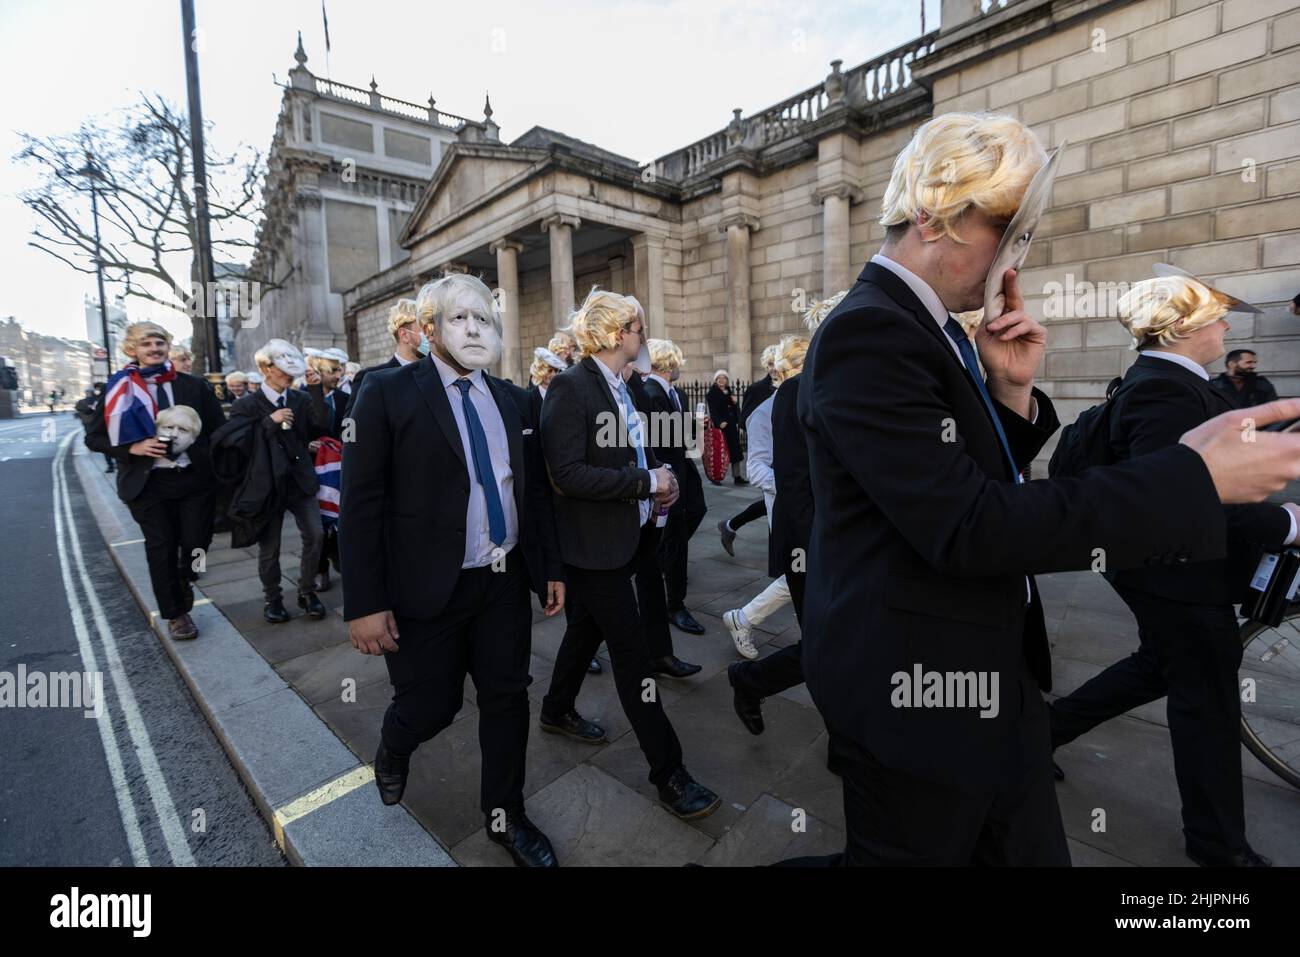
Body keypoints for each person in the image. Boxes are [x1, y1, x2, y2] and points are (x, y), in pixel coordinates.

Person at [792, 110, 1300, 867]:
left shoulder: (930, 325)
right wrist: (1190, 479)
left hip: (995, 677)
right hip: (916, 691)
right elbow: (968, 525)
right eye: (1009, 230)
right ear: (936, 214)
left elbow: (954, 478)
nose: (1012, 260)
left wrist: (1007, 396)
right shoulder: (871, 329)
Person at [1049, 271, 1292, 868]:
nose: (1226, 326)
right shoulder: (1166, 391)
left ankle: (1035, 739)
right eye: (1215, 317)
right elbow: (1184, 497)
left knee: (1161, 667)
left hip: (1168, 572)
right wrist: (1287, 524)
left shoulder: (1168, 383)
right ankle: (1218, 848)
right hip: (1177, 575)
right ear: (1182, 327)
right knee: (1206, 704)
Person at [341, 274, 565, 867]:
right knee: (430, 706)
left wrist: (546, 570)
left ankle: (505, 816)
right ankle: (394, 745)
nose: (474, 329)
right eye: (460, 318)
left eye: (485, 319)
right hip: (423, 588)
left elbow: (532, 495)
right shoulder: (385, 392)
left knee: (507, 699)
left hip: (501, 583)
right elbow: (360, 504)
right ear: (430, 327)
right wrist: (364, 603)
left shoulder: (517, 400)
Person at [538, 287, 720, 821]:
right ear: (620, 335)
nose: (645, 337)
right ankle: (669, 773)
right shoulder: (572, 388)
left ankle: (554, 708)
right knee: (632, 656)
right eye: (639, 329)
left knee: (585, 630)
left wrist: (660, 484)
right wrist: (645, 481)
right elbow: (565, 474)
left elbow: (631, 453)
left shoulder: (620, 385)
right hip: (594, 549)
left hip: (631, 537)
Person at [728, 297, 843, 736]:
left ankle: (754, 677)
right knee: (826, 640)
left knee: (832, 640)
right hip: (800, 529)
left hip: (820, 530)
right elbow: (775, 473)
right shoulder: (780, 404)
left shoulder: (824, 389)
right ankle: (751, 673)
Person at [85, 322, 225, 640]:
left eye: (159, 342)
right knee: (160, 547)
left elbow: (219, 427)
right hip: (148, 483)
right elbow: (94, 438)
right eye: (145, 343)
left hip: (194, 480)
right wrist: (132, 447)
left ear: (167, 347)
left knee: (195, 546)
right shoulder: (119, 388)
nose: (154, 348)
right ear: (133, 349)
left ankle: (185, 577)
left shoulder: (194, 386)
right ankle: (177, 615)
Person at [213, 338, 331, 624]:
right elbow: (237, 442)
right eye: (282, 369)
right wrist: (270, 421)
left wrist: (316, 390)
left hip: (300, 481)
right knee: (271, 547)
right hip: (267, 486)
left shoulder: (300, 398)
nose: (289, 375)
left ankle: (306, 591)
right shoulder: (247, 404)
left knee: (315, 534)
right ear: (266, 369)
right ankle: (273, 599)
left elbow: (321, 425)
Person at [723, 335, 809, 660]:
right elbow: (756, 468)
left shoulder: (809, 399)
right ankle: (743, 619)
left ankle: (742, 618)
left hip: (808, 507)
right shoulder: (763, 413)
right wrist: (795, 484)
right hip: (787, 508)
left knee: (802, 575)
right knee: (801, 574)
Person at [529, 345, 604, 675]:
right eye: (553, 366)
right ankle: (580, 648)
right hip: (551, 502)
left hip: (573, 501)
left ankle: (582, 644)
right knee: (567, 579)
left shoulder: (569, 393)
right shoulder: (528, 400)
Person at [642, 337, 709, 637]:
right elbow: (660, 439)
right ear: (668, 361)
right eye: (678, 359)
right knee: (673, 538)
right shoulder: (651, 391)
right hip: (669, 473)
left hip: (683, 469)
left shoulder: (672, 391)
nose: (681, 364)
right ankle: (675, 604)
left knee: (694, 514)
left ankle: (661, 567)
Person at [345, 299, 423, 419]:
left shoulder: (437, 373)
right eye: (424, 329)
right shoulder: (370, 377)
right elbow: (349, 431)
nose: (431, 335)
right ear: (404, 335)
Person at [706, 370, 745, 486]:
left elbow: (735, 409)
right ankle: (715, 477)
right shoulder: (711, 393)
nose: (722, 380)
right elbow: (713, 410)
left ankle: (737, 476)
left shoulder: (729, 392)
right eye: (719, 378)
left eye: (724, 378)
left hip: (731, 426)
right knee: (719, 453)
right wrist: (719, 422)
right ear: (716, 380)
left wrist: (735, 403)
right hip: (721, 427)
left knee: (736, 451)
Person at [1209, 348, 1279, 410]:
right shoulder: (1214, 385)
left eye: (1254, 363)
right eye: (1249, 362)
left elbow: (1273, 408)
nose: (1253, 366)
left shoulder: (1262, 384)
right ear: (1232, 364)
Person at [76, 382, 115, 473]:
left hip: (96, 426)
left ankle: (111, 465)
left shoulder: (87, 401)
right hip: (104, 426)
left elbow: (80, 409)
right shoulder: (100, 399)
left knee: (106, 445)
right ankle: (112, 464)